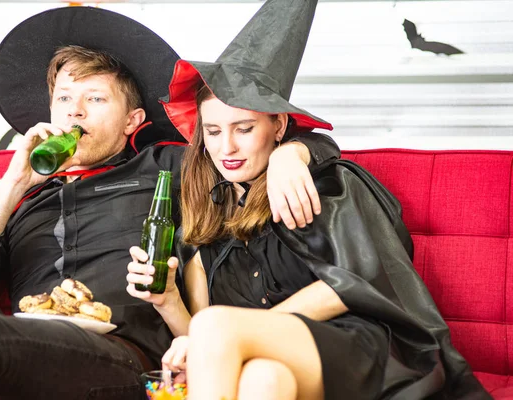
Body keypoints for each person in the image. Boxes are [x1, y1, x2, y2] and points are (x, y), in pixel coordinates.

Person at [0, 6, 340, 400]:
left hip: (117, 353)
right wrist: (12, 184)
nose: (74, 114)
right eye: (64, 99)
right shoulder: (22, 197)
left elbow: (247, 144)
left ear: (132, 121)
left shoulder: (167, 167)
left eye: (95, 99)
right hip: (19, 342)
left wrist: (297, 153)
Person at [126, 0, 491, 399]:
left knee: (216, 327)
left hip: (359, 347)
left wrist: (298, 152)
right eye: (212, 131)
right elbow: (200, 341)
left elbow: (354, 279)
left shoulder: (326, 183)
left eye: (244, 128)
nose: (226, 146)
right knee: (262, 379)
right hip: (275, 363)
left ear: (278, 124)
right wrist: (167, 301)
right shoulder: (203, 217)